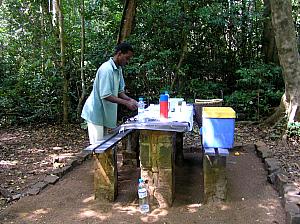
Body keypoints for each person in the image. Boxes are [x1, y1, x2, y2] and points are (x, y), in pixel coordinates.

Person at [81, 42, 138, 144]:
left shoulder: (118, 69)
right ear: (119, 54)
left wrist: (130, 100)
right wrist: (126, 103)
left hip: (106, 114)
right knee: (98, 148)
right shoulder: (106, 69)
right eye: (127, 58)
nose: (128, 61)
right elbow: (106, 95)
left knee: (106, 146)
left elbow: (120, 92)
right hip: (96, 113)